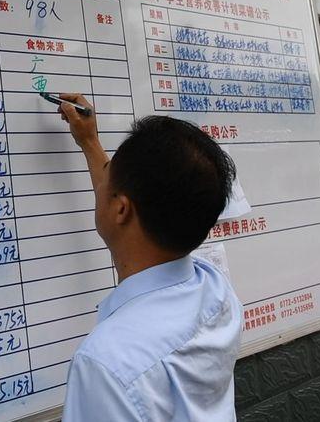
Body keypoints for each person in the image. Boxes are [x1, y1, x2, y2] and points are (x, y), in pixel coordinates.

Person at [56, 93, 243, 421]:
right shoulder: (216, 290)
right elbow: (137, 207)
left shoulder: (106, 365)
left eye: (108, 174)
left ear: (121, 208)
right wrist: (90, 142)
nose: (102, 185)